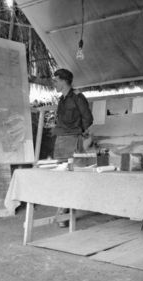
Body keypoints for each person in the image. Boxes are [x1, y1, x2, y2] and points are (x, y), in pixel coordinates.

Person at [50, 68, 93, 227]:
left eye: (55, 80)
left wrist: (78, 134)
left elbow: (88, 118)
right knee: (61, 177)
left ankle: (64, 211)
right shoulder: (61, 100)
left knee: (72, 177)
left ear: (63, 80)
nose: (53, 83)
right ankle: (63, 210)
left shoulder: (77, 97)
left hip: (73, 139)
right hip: (61, 139)